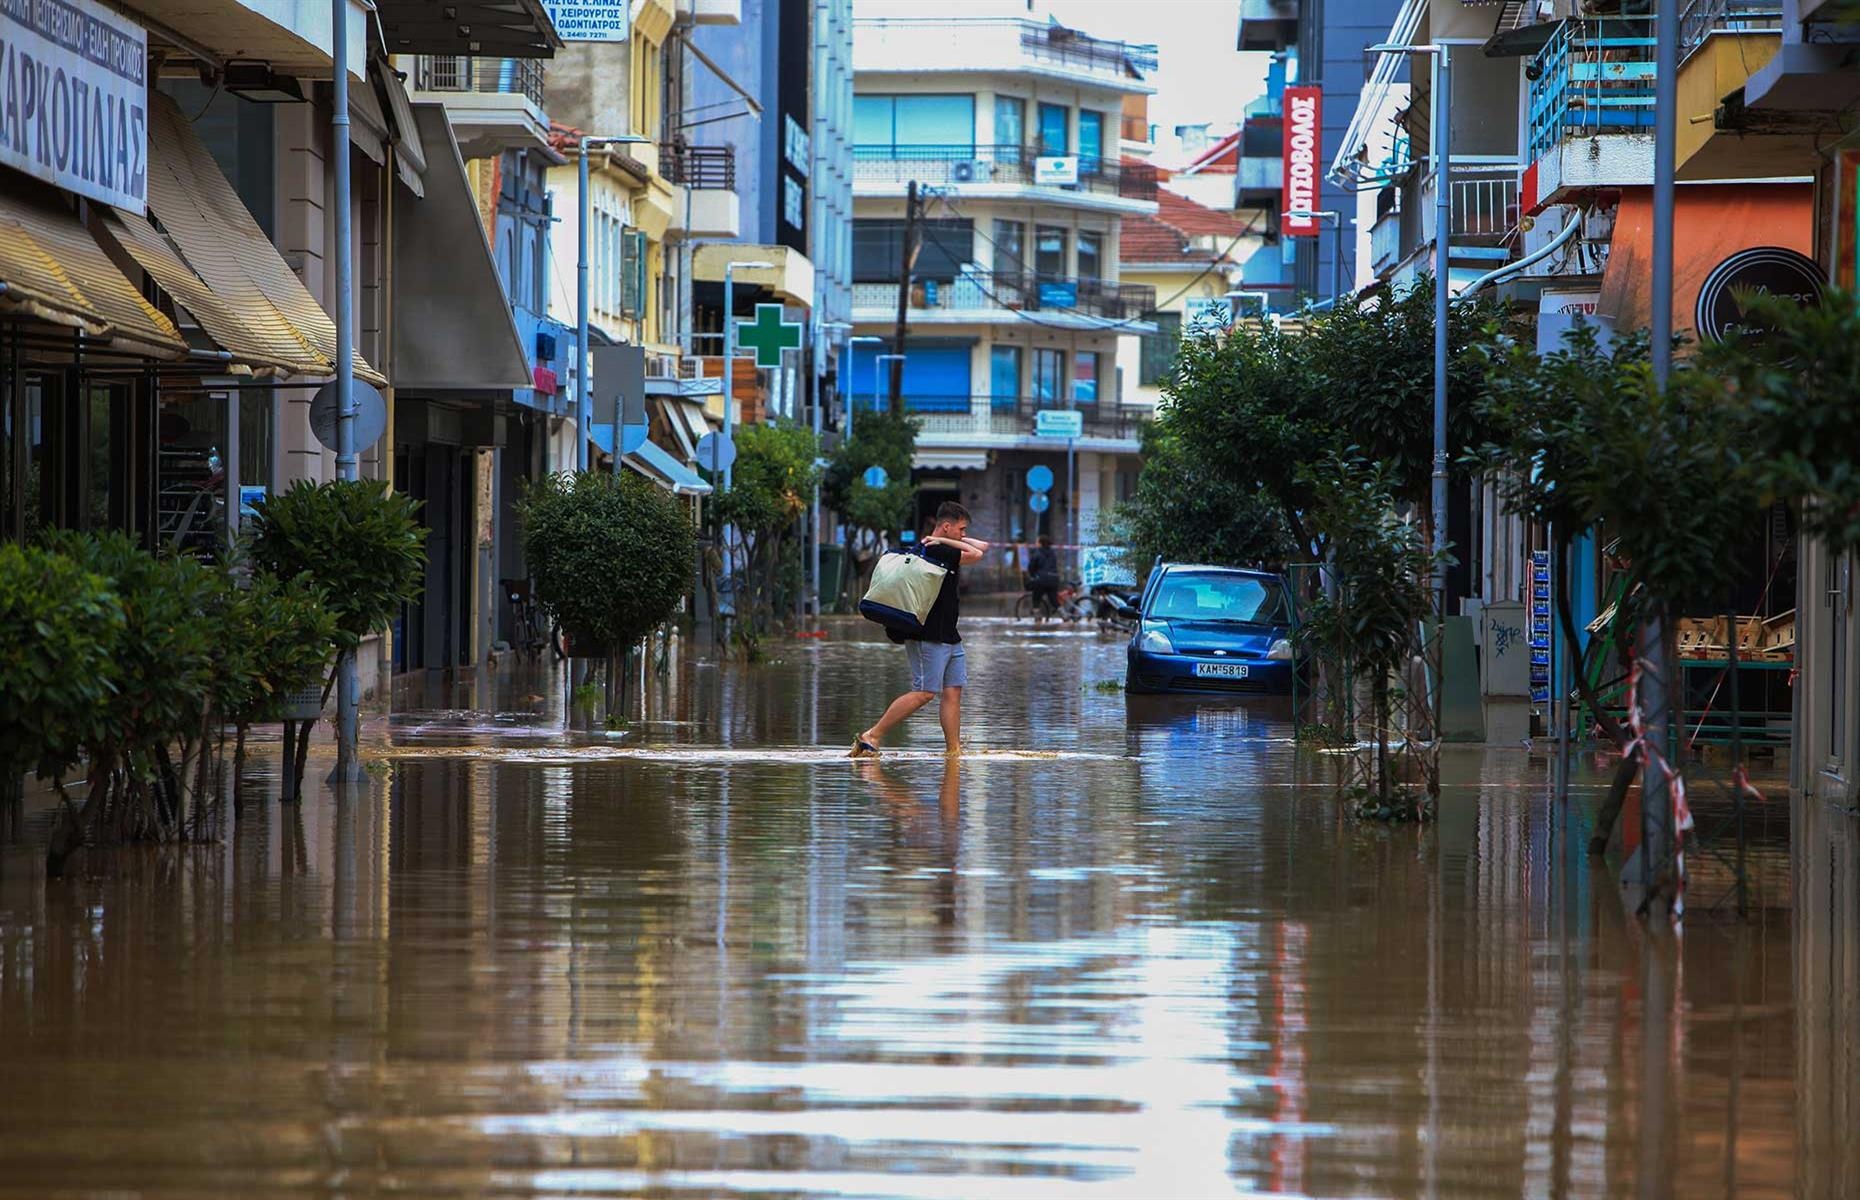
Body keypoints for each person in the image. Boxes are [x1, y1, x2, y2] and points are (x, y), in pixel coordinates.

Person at [852, 501, 988, 757]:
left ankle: (954, 752)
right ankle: (872, 735)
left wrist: (949, 540)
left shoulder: (940, 548)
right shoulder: (937, 551)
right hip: (927, 636)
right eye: (961, 529)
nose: (964, 535)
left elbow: (981, 547)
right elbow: (979, 552)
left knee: (953, 692)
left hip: (949, 636)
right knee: (924, 692)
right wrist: (946, 542)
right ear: (946, 527)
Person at [1025, 535, 1059, 619]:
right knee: (1054, 600)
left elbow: (1031, 567)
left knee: (1036, 597)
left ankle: (1037, 617)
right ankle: (1066, 617)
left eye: (1037, 542)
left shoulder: (1037, 553)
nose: (1035, 543)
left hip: (1041, 580)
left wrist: (1032, 576)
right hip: (1053, 579)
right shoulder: (1053, 553)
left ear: (1040, 544)